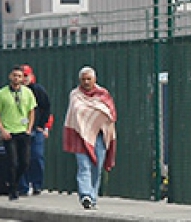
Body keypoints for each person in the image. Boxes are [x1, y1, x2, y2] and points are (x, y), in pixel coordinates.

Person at [63, 66, 117, 210]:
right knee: (84, 166)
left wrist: (95, 117)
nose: (86, 82)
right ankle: (85, 195)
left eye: (89, 79)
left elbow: (110, 113)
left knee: (97, 167)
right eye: (83, 79)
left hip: (100, 136)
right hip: (80, 135)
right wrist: (95, 114)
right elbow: (77, 112)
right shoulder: (75, 94)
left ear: (95, 79)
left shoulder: (103, 94)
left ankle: (93, 197)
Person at [0, 66, 37, 201]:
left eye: (19, 76)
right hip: (9, 132)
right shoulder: (2, 93)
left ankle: (14, 182)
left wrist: (29, 128)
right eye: (14, 75)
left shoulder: (28, 93)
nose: (16, 78)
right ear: (10, 77)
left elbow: (31, 111)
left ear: (23, 78)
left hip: (23, 130)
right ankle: (13, 190)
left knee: (25, 162)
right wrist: (2, 129)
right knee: (13, 161)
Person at [19, 64, 52, 196]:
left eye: (26, 76)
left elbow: (47, 107)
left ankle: (37, 184)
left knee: (36, 156)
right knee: (22, 158)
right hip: (20, 128)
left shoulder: (38, 90)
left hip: (36, 128)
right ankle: (23, 186)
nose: (24, 79)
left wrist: (42, 125)